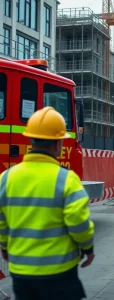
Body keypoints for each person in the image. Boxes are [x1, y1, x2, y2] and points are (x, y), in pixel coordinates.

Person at [0, 107, 95, 299]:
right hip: (60, 273)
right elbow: (79, 222)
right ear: (58, 144)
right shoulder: (66, 179)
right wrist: (87, 248)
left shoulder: (6, 178)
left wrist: (5, 247)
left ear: (31, 140)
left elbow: (2, 221)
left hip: (21, 271)